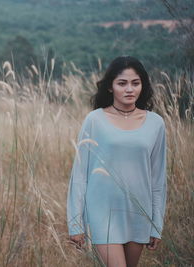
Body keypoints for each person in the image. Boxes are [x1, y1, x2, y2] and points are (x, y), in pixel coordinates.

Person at [66, 56, 167, 267]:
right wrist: (75, 223)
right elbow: (80, 174)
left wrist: (156, 224)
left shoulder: (156, 124)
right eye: (122, 83)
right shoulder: (95, 120)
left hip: (139, 212)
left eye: (135, 83)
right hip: (103, 212)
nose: (129, 89)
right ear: (111, 87)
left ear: (143, 85)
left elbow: (158, 180)